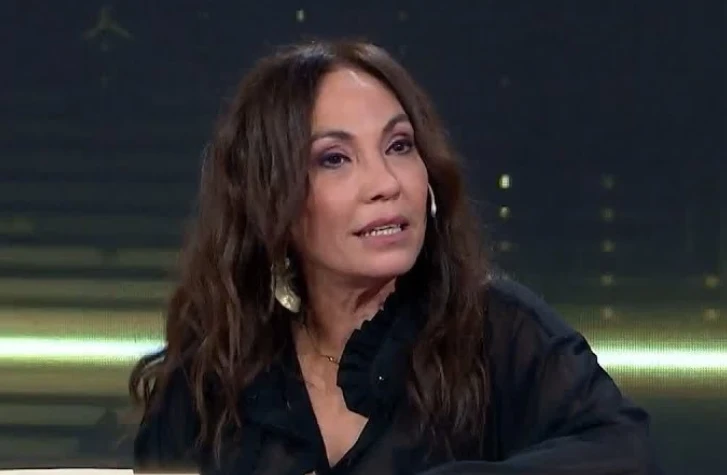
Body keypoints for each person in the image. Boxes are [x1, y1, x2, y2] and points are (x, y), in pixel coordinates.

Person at [129, 39, 661, 474]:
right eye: (335, 159)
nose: (386, 183)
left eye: (399, 146)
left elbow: (625, 456)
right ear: (273, 200)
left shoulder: (498, 333)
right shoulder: (212, 378)